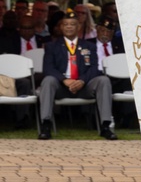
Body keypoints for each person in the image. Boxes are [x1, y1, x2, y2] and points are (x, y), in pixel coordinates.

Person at [37, 13, 116, 141]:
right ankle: (46, 125)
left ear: (78, 27)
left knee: (103, 80)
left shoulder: (89, 46)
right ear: (61, 27)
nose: (69, 27)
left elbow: (95, 67)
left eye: (72, 24)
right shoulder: (52, 46)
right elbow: (48, 68)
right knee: (48, 80)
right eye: (66, 24)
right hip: (61, 87)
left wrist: (82, 81)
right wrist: (64, 80)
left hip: (84, 86)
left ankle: (105, 126)